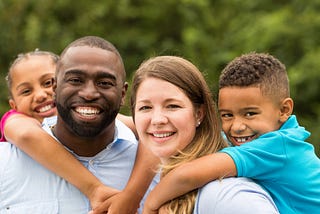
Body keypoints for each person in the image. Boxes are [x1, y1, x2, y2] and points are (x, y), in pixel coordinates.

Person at [142, 53, 320, 213]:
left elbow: (186, 176)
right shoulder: (265, 140)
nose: (237, 127)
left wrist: (151, 205)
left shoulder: (278, 146)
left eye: (250, 114)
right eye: (227, 115)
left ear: (283, 110)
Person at [0, 36, 157, 213]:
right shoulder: (7, 160)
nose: (89, 94)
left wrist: (132, 196)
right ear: (56, 87)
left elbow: (152, 131)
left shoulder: (160, 167)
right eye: (75, 80)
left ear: (122, 94)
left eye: (104, 83)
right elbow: (24, 134)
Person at [128, 55, 279, 213]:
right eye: (145, 108)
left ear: (199, 114)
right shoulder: (152, 185)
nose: (157, 120)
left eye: (172, 106)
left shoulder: (226, 195)